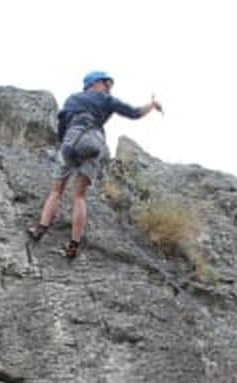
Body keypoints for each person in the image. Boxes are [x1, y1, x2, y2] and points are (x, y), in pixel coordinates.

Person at [28, 70, 163, 258]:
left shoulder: (73, 98)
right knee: (79, 196)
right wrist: (152, 105)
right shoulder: (107, 100)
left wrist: (63, 146)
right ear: (94, 83)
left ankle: (40, 229)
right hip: (95, 142)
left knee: (57, 190)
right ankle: (73, 245)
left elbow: (62, 124)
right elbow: (134, 113)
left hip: (74, 136)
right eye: (107, 84)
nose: (109, 88)